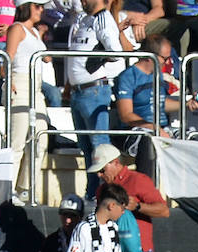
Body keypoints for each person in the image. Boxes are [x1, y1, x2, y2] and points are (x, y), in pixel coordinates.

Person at [66, 0, 135, 204]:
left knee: (99, 148)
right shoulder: (86, 18)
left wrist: (93, 63)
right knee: (87, 148)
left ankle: (106, 195)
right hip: (79, 92)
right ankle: (92, 193)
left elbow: (114, 51)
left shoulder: (103, 18)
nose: (83, 1)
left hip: (93, 90)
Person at [6, 0, 51, 205]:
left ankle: (25, 188)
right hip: (21, 84)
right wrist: (9, 81)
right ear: (26, 7)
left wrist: (41, 36)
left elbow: (48, 58)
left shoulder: (33, 32)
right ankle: (9, 189)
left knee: (40, 139)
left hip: (37, 87)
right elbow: (9, 55)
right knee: (17, 141)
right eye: (37, 6)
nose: (41, 10)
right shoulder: (17, 28)